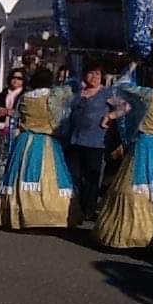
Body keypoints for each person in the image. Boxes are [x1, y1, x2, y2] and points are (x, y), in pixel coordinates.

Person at [92, 64, 153, 249]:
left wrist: (132, 66)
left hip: (145, 144)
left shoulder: (148, 95)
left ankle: (133, 232)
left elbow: (121, 86)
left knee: (137, 185)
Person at [0, 67, 81, 230]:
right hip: (47, 141)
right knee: (50, 177)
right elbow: (73, 91)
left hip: (25, 140)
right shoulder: (54, 96)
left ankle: (20, 211)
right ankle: (48, 214)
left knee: (21, 175)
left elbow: (18, 116)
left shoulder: (25, 97)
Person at [65, 60, 110, 220]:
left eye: (98, 74)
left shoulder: (106, 93)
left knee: (91, 177)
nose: (94, 77)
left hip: (95, 141)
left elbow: (125, 107)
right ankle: (74, 207)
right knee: (74, 174)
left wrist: (109, 116)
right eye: (91, 73)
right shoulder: (78, 92)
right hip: (75, 139)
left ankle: (89, 209)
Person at [0, 67, 25, 183]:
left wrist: (10, 112)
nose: (15, 80)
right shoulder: (3, 93)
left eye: (19, 78)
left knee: (15, 159)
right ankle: (0, 185)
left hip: (17, 130)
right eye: (13, 78)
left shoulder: (25, 95)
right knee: (0, 159)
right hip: (2, 129)